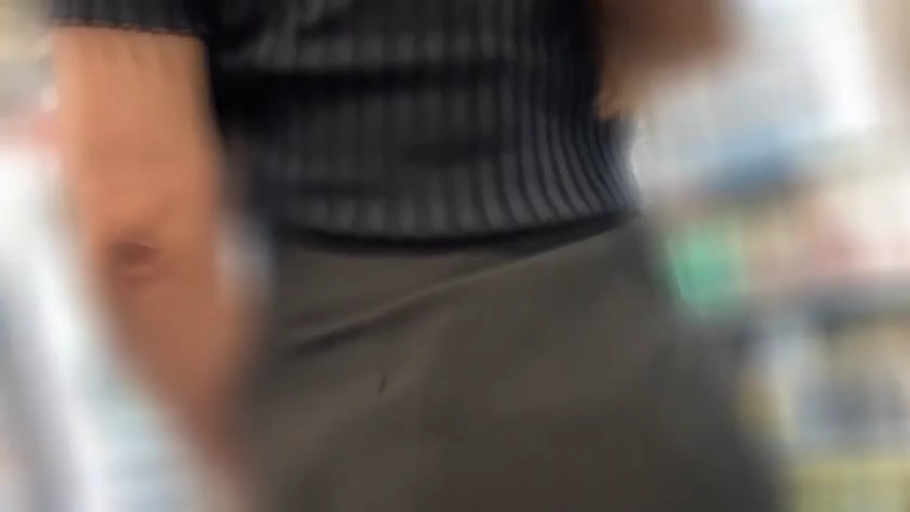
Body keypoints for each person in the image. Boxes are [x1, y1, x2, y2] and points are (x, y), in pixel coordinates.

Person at [47, 0, 780, 510]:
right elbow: (684, 39)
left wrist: (247, 462)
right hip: (652, 382)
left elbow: (140, 235)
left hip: (383, 414)